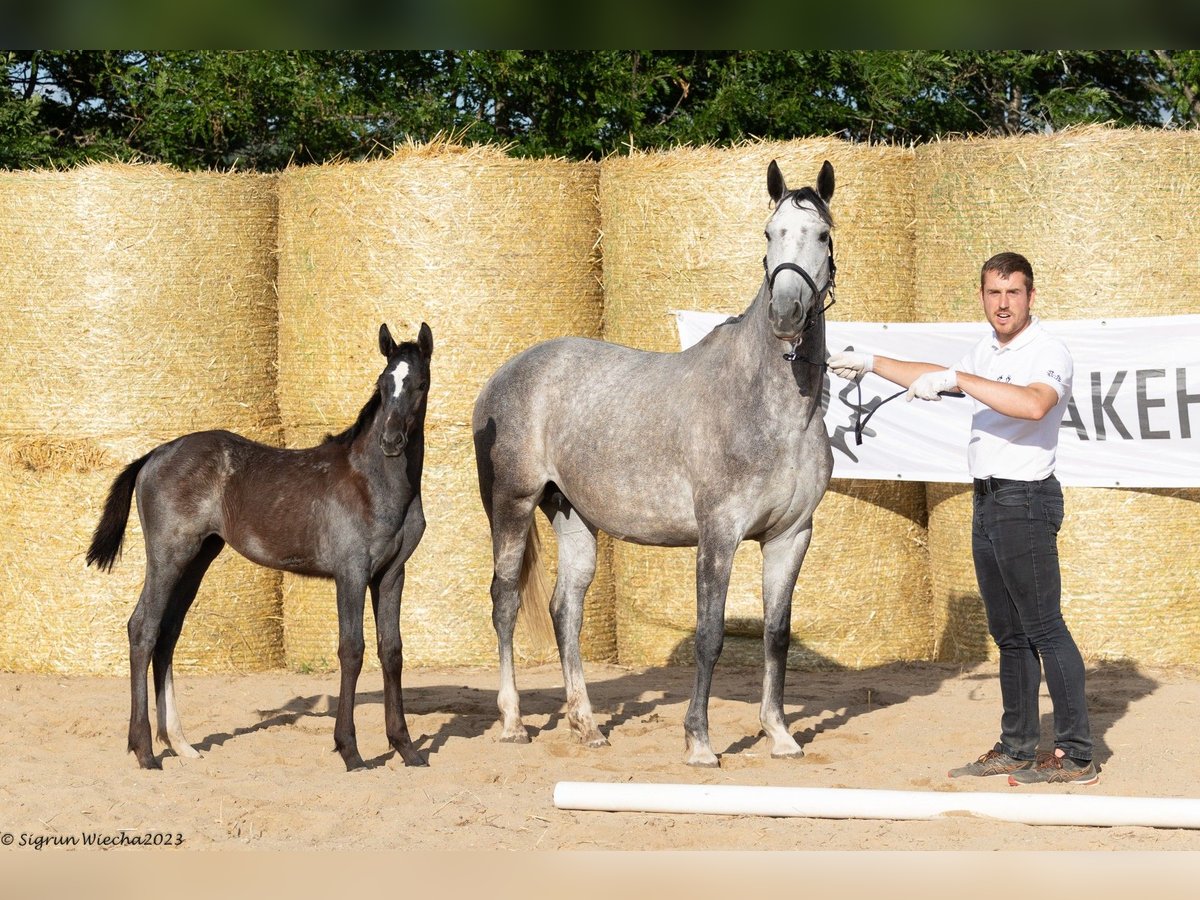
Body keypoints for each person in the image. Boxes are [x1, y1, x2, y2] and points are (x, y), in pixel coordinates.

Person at [828, 251, 1097, 786]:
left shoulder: (1048, 351)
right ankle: (1018, 746)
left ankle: (1077, 753)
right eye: (994, 293)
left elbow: (1033, 404)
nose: (1003, 303)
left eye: (1013, 293)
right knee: (1010, 634)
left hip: (1025, 499)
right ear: (982, 297)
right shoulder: (985, 348)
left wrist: (959, 379)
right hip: (989, 499)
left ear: (1031, 297)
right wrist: (873, 363)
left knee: (1044, 627)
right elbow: (943, 376)